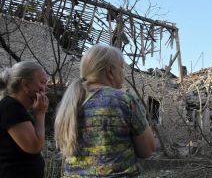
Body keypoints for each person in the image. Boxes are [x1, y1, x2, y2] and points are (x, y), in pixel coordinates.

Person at [54, 44, 155, 177]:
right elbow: (147, 150)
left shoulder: (71, 101)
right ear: (110, 71)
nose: (122, 73)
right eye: (121, 68)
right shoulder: (122, 100)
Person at [0, 61, 49, 178]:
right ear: (25, 85)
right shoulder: (11, 107)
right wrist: (40, 113)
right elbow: (34, 146)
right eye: (42, 82)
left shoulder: (16, 107)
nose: (46, 88)